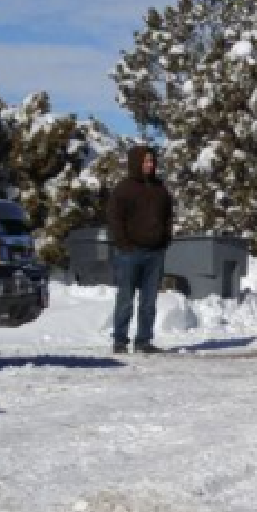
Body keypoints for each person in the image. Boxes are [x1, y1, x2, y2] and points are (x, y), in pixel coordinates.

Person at [107, 144, 173, 355]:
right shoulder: (124, 189)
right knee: (125, 300)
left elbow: (168, 216)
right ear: (136, 162)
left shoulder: (160, 189)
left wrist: (165, 238)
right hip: (129, 253)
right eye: (145, 161)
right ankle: (120, 341)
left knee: (149, 302)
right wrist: (123, 244)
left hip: (155, 254)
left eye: (152, 161)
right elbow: (114, 219)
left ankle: (144, 341)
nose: (149, 164)